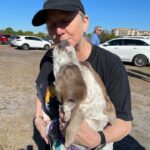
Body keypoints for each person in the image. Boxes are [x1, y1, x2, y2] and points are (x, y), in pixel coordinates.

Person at [32, 0, 133, 149]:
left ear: (85, 22)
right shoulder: (49, 58)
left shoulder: (110, 64)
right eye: (51, 25)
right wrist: (38, 117)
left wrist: (97, 139)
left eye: (65, 21)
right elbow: (41, 90)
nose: (58, 30)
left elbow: (124, 123)